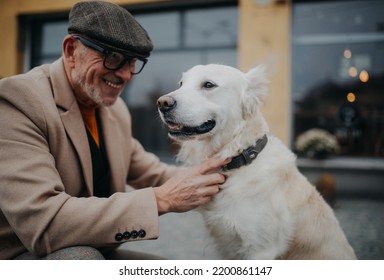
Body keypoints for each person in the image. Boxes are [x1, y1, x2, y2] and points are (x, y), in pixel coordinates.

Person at [0, 1, 228, 260]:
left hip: (95, 247)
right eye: (113, 58)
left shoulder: (114, 109)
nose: (126, 75)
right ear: (71, 50)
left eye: (133, 62)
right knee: (81, 259)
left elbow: (152, 172)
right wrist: (161, 200)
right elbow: (46, 223)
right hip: (25, 255)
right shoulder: (15, 101)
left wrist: (229, 177)